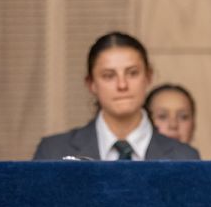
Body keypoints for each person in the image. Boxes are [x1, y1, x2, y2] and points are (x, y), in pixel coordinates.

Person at [33, 32, 199, 161]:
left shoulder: (184, 157)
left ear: (148, 77)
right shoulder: (54, 152)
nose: (122, 85)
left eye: (132, 73)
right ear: (91, 84)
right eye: (108, 75)